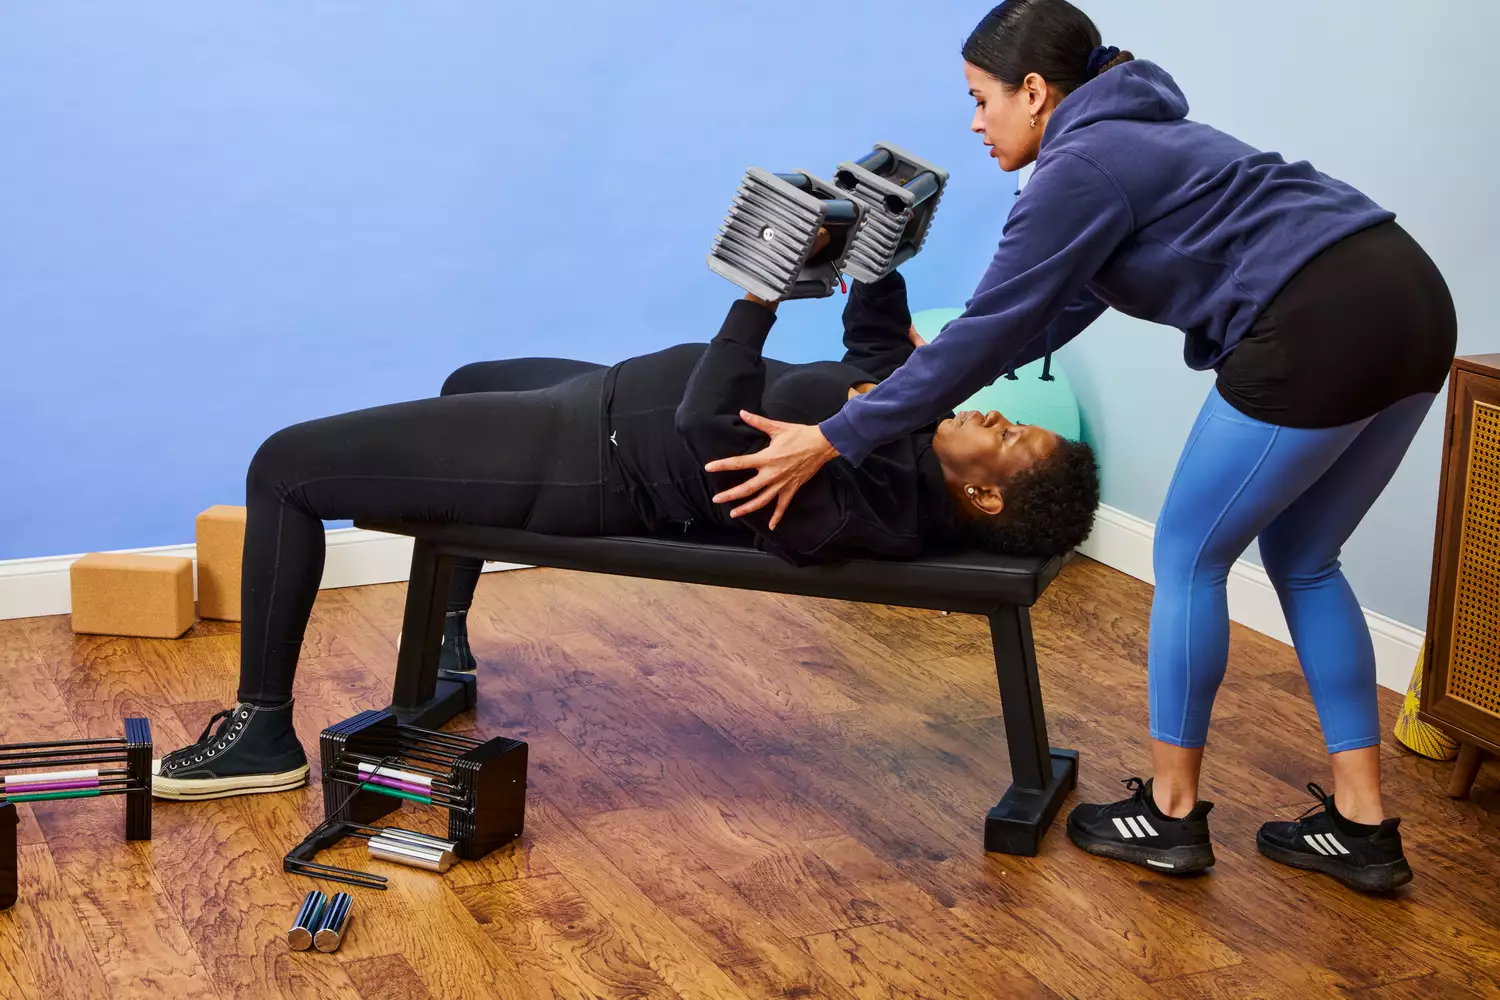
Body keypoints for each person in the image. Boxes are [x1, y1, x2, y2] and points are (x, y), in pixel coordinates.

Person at [702, 0, 1456, 894]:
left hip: (1314, 325)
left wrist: (834, 437)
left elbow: (997, 325)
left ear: (1034, 90)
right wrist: (943, 363)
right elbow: (1047, 313)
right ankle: (1361, 828)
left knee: (1187, 556)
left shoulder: (1081, 164)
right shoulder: (1135, 136)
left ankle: (1171, 819)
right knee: (1306, 557)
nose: (974, 122)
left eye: (982, 99)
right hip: (1409, 296)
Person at [151, 266, 1099, 801]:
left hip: (586, 459)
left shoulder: (864, 505)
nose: (999, 415)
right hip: (603, 399)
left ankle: (261, 734)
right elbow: (870, 361)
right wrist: (879, 258)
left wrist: (758, 296)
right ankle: (446, 638)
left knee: (284, 467)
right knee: (469, 377)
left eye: (1010, 438)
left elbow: (707, 428)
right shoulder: (902, 445)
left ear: (983, 501)